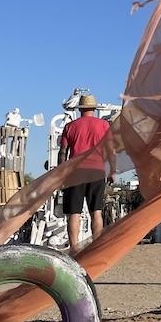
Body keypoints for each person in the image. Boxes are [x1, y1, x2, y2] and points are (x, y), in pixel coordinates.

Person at [57, 93, 115, 255]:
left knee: (74, 213)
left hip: (75, 172)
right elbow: (111, 150)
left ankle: (74, 249)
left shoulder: (70, 127)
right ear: (93, 109)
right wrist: (112, 171)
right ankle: (96, 247)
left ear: (80, 109)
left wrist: (61, 173)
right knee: (96, 211)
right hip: (97, 171)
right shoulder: (103, 125)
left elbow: (62, 152)